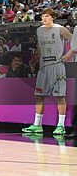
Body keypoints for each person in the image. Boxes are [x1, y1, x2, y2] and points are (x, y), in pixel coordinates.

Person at [24, 9, 72, 137]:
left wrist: (68, 55)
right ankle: (37, 125)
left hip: (57, 65)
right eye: (42, 16)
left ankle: (61, 126)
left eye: (46, 16)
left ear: (53, 17)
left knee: (60, 96)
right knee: (39, 96)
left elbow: (74, 41)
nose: (43, 18)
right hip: (43, 67)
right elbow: (39, 47)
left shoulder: (60, 29)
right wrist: (36, 59)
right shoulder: (39, 30)